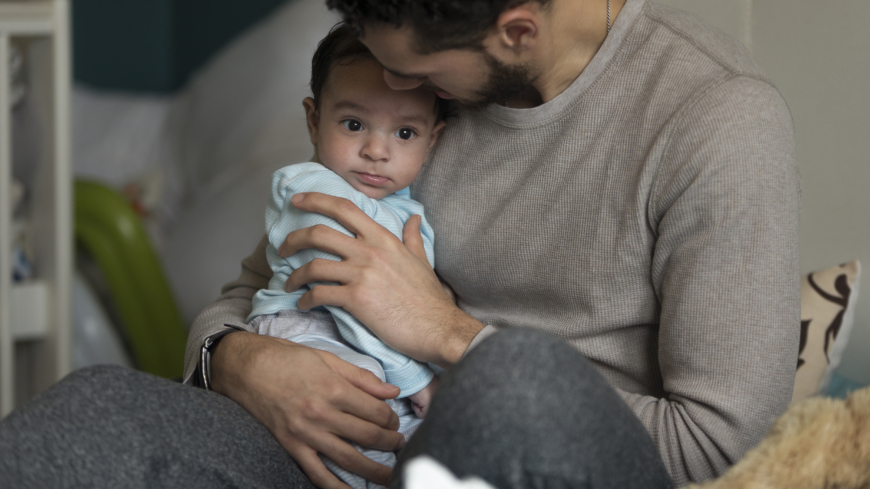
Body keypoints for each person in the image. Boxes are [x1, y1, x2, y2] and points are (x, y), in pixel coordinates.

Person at [0, 0, 799, 488]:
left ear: (514, 30)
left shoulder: (714, 122)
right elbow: (252, 287)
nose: (393, 87)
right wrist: (235, 360)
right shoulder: (401, 95)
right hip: (353, 450)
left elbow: (716, 445)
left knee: (519, 383)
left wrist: (448, 333)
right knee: (94, 409)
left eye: (417, 73)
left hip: (543, 453)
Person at [247, 23, 445, 488]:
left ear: (432, 140)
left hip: (379, 354)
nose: (376, 151)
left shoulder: (405, 208)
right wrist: (418, 381)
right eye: (353, 125)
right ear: (315, 121)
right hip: (306, 333)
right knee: (354, 419)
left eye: (404, 132)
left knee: (418, 442)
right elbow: (349, 295)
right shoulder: (310, 190)